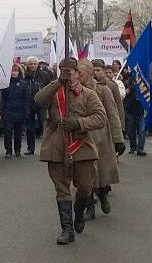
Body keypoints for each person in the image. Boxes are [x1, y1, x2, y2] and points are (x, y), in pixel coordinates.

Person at [35, 58, 106, 245]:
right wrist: (58, 82)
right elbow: (39, 100)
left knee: (84, 187)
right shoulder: (54, 90)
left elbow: (100, 118)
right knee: (61, 188)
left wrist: (79, 123)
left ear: (77, 73)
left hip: (81, 144)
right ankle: (67, 229)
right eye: (62, 70)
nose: (67, 74)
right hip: (56, 144)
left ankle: (80, 210)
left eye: (70, 71)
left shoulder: (88, 94)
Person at [85, 59, 125, 219]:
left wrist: (118, 137)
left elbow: (113, 113)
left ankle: (102, 195)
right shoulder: (73, 90)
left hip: (100, 138)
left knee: (99, 174)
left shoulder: (104, 89)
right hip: (81, 137)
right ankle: (89, 207)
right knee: (84, 175)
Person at [0, 63, 30, 159]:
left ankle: (17, 150)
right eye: (12, 70)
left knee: (18, 133)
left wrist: (26, 111)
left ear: (19, 72)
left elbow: (26, 99)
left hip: (19, 111)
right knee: (8, 132)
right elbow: (2, 98)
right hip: (8, 111)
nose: (14, 73)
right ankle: (8, 151)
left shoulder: (24, 84)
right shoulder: (5, 84)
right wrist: (1, 110)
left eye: (16, 71)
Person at [25, 56, 53, 154]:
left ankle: (47, 148)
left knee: (44, 126)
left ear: (37, 65)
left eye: (34, 64)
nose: (33, 66)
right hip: (29, 104)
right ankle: (30, 148)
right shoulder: (24, 75)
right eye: (31, 64)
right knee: (29, 127)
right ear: (27, 65)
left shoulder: (44, 75)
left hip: (42, 103)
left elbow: (50, 88)